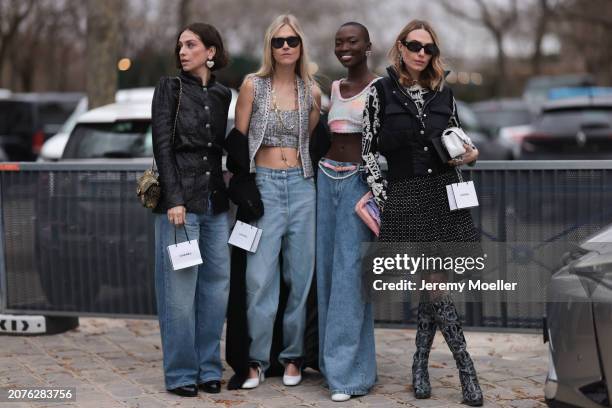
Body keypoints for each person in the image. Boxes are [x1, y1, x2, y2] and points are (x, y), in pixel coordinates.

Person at [362, 19, 484, 406]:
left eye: (427, 48)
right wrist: (385, 198)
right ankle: (467, 370)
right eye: (414, 45)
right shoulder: (379, 92)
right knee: (433, 283)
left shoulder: (444, 94)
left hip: (444, 194)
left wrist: (472, 155)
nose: (420, 53)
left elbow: (461, 141)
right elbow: (367, 151)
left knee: (433, 283)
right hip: (405, 196)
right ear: (400, 47)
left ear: (433, 54)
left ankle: (419, 363)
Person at [234, 14, 321, 389]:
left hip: (303, 186)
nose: (285, 46)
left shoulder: (312, 91)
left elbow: (315, 143)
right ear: (269, 47)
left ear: (301, 46)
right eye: (278, 41)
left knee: (300, 279)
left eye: (292, 41)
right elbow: (238, 143)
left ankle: (292, 358)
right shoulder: (252, 85)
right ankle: (254, 361)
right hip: (264, 186)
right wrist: (245, 186)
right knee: (258, 279)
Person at [151, 22, 232, 397]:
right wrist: (174, 198)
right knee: (179, 296)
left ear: (211, 51)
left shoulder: (221, 94)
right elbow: (162, 146)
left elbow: (216, 151)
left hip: (216, 204)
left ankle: (208, 369)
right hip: (181, 206)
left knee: (215, 292)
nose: (183, 51)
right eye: (180, 45)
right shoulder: (169, 88)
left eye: (191, 44)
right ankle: (182, 374)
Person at [316, 22, 379, 402]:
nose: (345, 47)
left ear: (367, 46)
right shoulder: (334, 89)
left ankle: (349, 378)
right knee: (327, 272)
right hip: (326, 178)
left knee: (350, 277)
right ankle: (336, 368)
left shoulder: (380, 88)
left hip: (357, 185)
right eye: (339, 42)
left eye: (352, 41)